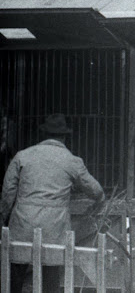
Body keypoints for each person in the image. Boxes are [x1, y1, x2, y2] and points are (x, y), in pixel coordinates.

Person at [0, 114, 104, 293]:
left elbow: (8, 194)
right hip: (54, 229)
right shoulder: (72, 161)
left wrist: (3, 220)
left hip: (22, 226)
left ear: (43, 135)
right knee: (51, 274)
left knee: (14, 276)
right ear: (64, 137)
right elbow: (96, 191)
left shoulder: (22, 156)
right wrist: (97, 206)